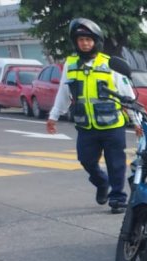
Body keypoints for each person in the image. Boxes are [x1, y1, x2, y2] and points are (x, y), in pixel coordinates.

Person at [46, 18, 142, 214]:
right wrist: (54, 116)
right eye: (81, 39)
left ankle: (117, 198)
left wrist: (136, 121)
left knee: (115, 163)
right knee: (86, 161)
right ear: (76, 42)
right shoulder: (70, 64)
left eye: (88, 39)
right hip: (86, 127)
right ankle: (101, 182)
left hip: (112, 125)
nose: (85, 43)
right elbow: (64, 93)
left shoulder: (110, 63)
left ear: (96, 41)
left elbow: (127, 95)